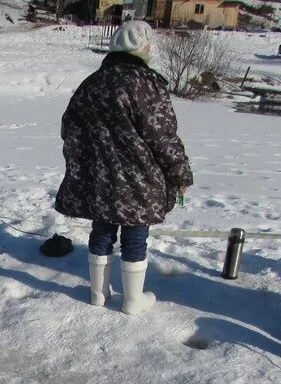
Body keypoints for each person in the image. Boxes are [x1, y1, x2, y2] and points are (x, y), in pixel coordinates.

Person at [54, 20, 192, 315]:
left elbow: (70, 129)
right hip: (139, 176)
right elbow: (162, 136)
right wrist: (180, 173)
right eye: (148, 45)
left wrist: (85, 162)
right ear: (140, 47)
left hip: (99, 175)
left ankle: (98, 293)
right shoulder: (146, 84)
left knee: (102, 228)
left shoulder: (92, 83)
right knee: (135, 234)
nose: (150, 49)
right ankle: (132, 300)